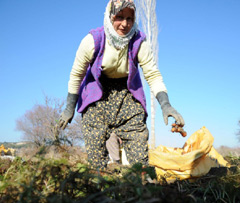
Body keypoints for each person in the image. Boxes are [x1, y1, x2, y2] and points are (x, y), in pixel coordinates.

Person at [58, 0, 184, 169]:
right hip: (98, 96)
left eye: (129, 18)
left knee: (139, 149)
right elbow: (76, 75)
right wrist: (69, 108)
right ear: (110, 16)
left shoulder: (139, 41)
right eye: (119, 17)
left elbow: (153, 75)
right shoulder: (93, 40)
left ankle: (142, 187)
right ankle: (100, 186)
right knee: (96, 156)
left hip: (127, 95)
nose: (124, 24)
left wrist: (166, 104)